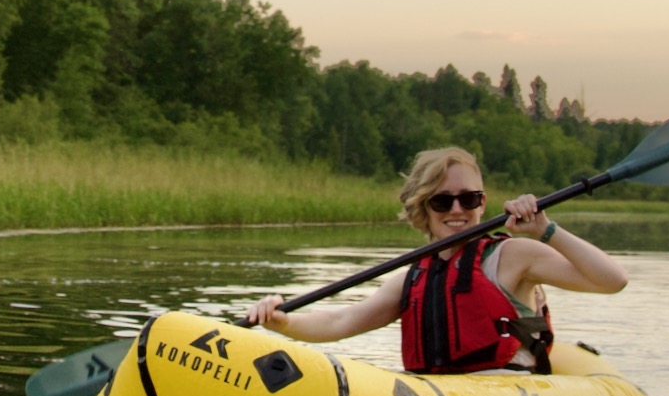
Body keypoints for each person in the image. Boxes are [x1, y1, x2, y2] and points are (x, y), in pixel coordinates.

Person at [243, 145, 626, 373]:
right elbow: (342, 319)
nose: (457, 210)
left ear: (482, 202)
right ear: (422, 207)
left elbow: (612, 280)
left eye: (469, 199)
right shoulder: (411, 278)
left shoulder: (512, 255)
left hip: (506, 395)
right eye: (443, 201)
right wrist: (282, 321)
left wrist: (546, 231)